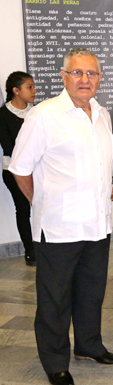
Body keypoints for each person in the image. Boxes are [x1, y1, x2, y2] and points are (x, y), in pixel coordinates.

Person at [10, 48, 113, 385]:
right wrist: (42, 203)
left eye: (91, 73)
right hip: (58, 227)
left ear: (99, 78)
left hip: (96, 223)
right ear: (64, 77)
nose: (85, 79)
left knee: (91, 292)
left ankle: (89, 345)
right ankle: (55, 361)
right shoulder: (43, 116)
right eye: (77, 73)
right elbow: (20, 169)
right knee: (55, 298)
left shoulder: (102, 114)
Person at [0, 72, 36, 265]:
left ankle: (46, 246)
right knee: (23, 209)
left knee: (44, 208)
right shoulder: (3, 115)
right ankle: (30, 250)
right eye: (29, 87)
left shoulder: (37, 112)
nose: (34, 91)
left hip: (39, 170)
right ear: (16, 90)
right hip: (13, 171)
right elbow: (9, 147)